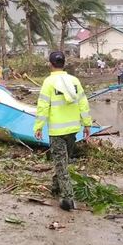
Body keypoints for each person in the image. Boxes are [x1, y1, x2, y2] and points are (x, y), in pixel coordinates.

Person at [34, 52, 92, 211]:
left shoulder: (48, 82)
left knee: (62, 165)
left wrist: (38, 126)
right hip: (73, 130)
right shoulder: (74, 81)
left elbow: (43, 107)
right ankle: (55, 188)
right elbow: (83, 104)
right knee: (62, 162)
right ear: (64, 64)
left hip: (57, 132)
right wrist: (87, 124)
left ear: (50, 64)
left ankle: (68, 198)